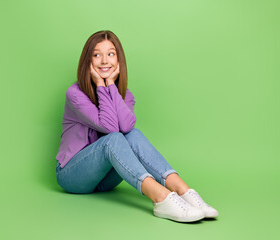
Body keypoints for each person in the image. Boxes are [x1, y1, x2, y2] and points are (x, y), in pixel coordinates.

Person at [55, 30, 218, 222]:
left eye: (111, 54)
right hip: (73, 176)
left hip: (104, 181)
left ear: (119, 60)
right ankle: (161, 198)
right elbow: (110, 129)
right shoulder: (75, 94)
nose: (104, 61)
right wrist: (100, 85)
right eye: (97, 55)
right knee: (113, 139)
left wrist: (111, 89)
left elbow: (126, 127)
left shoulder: (126, 95)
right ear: (88, 61)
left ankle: (183, 191)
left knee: (133, 134)